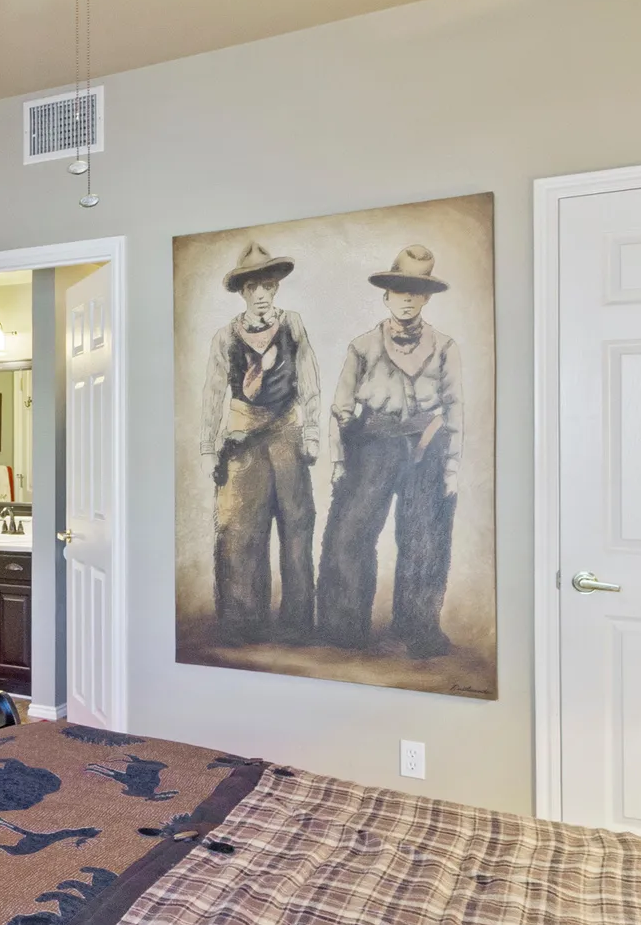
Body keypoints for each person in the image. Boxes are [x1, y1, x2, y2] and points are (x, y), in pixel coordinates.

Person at [317, 244, 464, 659]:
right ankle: (342, 627)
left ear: (427, 298)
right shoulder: (362, 346)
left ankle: (418, 627)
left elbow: (455, 409)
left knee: (426, 538)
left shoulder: (445, 347)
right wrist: (339, 459)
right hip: (372, 443)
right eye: (400, 289)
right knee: (350, 532)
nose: (407, 298)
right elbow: (340, 408)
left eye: (417, 291)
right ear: (386, 295)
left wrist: (452, 466)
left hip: (427, 446)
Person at [197, 241, 324, 645]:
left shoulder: (294, 325)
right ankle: (241, 622)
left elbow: (310, 380)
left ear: (276, 289)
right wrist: (206, 447)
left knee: (296, 524)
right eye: (253, 288)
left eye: (267, 286)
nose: (261, 295)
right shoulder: (224, 337)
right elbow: (213, 392)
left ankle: (297, 623)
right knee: (237, 530)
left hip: (287, 433)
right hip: (241, 438)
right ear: (243, 292)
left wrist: (313, 432)